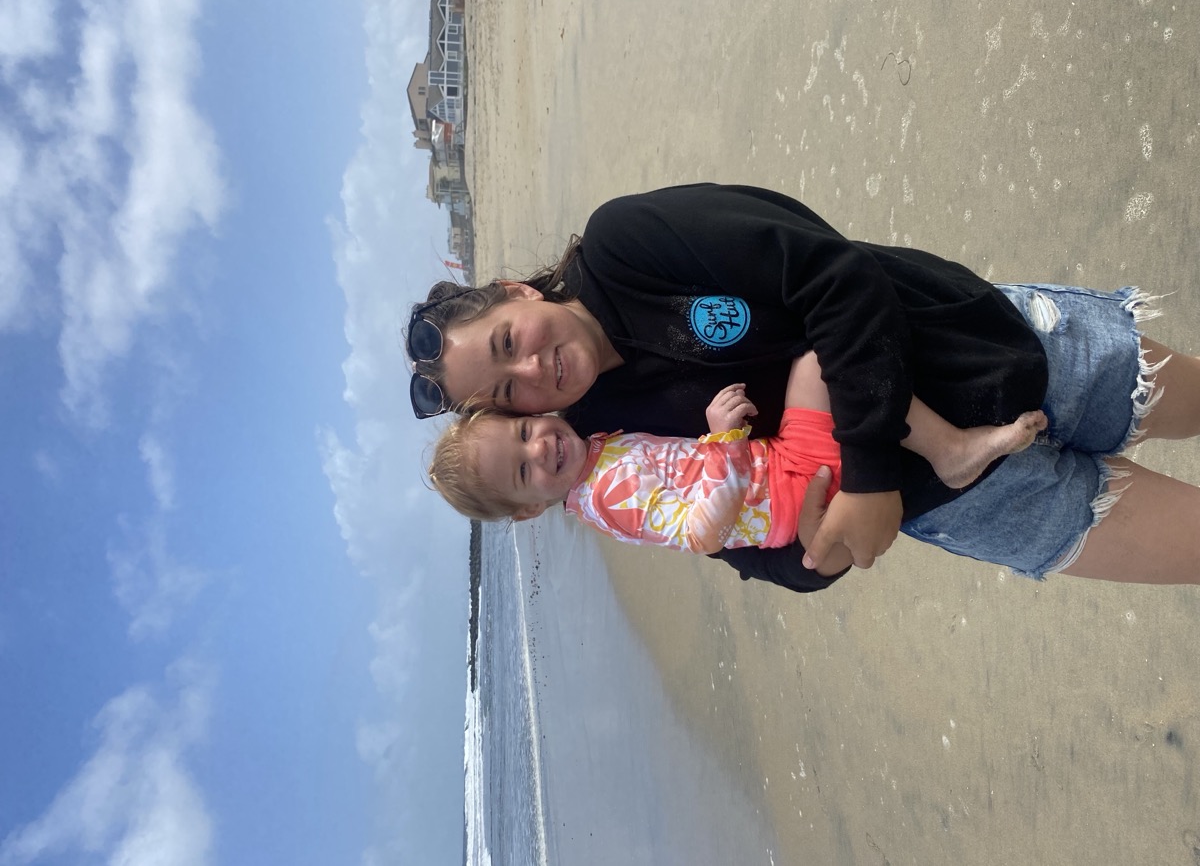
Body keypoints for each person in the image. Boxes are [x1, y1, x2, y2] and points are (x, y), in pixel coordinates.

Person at [407, 183, 1200, 590]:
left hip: (993, 350)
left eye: (508, 343)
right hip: (964, 501)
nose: (530, 374)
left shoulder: (625, 244)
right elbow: (732, 534)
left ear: (518, 292)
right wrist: (813, 556)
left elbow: (832, 271)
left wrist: (867, 471)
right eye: (508, 396)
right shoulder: (599, 442)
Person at [428, 353, 1047, 570]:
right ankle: (955, 451)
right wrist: (720, 441)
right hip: (780, 487)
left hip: (778, 468)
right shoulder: (607, 497)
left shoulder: (594, 457)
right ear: (533, 508)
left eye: (527, 430)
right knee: (822, 369)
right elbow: (701, 534)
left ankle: (825, 542)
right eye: (522, 471)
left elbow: (675, 481)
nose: (540, 447)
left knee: (817, 370)